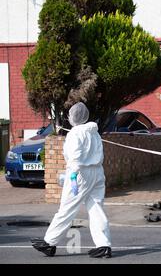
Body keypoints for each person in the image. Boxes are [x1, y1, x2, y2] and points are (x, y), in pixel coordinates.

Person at [31, 102, 112, 258]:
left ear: (74, 117)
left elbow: (75, 157)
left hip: (80, 174)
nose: (68, 117)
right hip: (97, 172)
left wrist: (73, 177)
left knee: (67, 209)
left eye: (70, 114)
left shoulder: (75, 133)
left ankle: (49, 242)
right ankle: (104, 245)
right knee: (97, 209)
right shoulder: (94, 132)